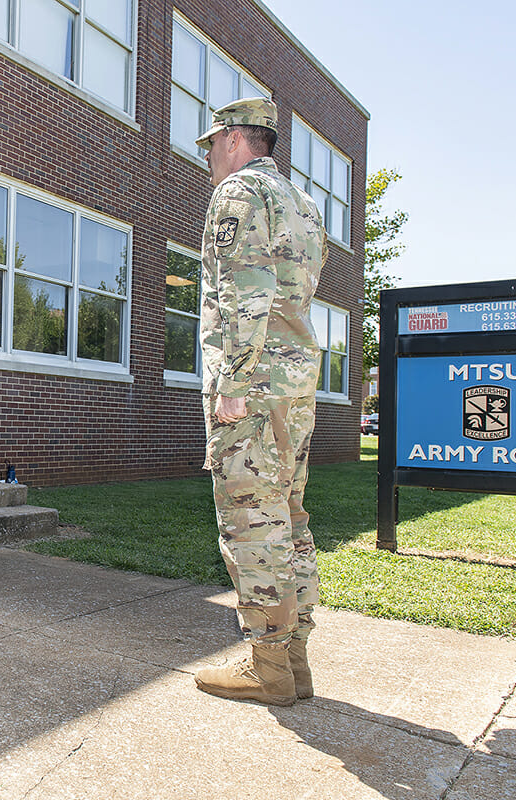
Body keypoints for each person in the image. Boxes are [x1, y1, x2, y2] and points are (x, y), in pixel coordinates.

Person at [190, 98, 327, 706]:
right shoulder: (302, 203)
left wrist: (234, 384)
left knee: (252, 516)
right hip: (294, 382)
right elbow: (300, 289)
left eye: (211, 144)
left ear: (236, 139)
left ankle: (268, 667)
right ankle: (293, 660)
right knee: (289, 514)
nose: (209, 158)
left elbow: (246, 292)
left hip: (256, 383)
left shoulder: (239, 193)